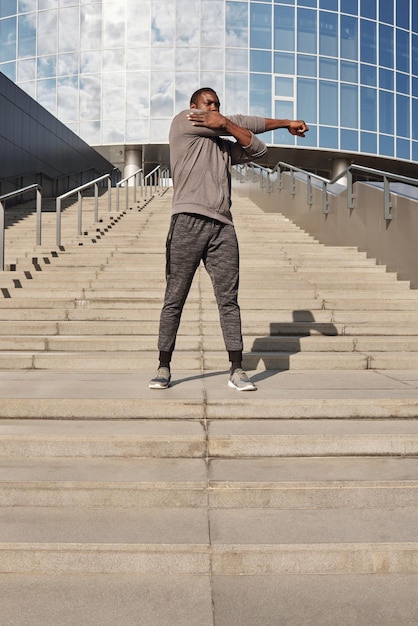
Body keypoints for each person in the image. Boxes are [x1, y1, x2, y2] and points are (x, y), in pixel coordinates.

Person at [149, 87, 308, 390]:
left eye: (217, 105)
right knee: (175, 298)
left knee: (229, 300)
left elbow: (259, 150)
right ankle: (163, 366)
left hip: (223, 227)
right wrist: (229, 124)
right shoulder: (183, 122)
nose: (214, 109)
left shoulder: (224, 146)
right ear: (194, 106)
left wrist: (283, 123)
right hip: (187, 220)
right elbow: (232, 122)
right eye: (208, 104)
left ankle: (237, 370)